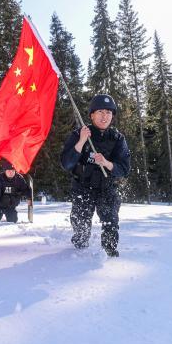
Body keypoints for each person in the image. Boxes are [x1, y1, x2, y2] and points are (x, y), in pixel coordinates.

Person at [59, 94, 130, 257]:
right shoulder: (79, 134)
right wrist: (82, 141)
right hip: (83, 187)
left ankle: (110, 254)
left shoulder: (118, 138)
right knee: (81, 228)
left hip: (106, 187)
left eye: (108, 112)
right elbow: (66, 163)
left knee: (111, 221)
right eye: (100, 112)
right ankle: (77, 253)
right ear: (92, 115)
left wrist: (107, 163)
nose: (105, 116)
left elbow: (124, 169)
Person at [0, 159, 31, 223]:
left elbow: (25, 189)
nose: (11, 172)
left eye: (12, 170)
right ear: (5, 171)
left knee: (13, 221)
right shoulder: (0, 179)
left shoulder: (19, 179)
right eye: (8, 171)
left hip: (11, 206)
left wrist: (28, 197)